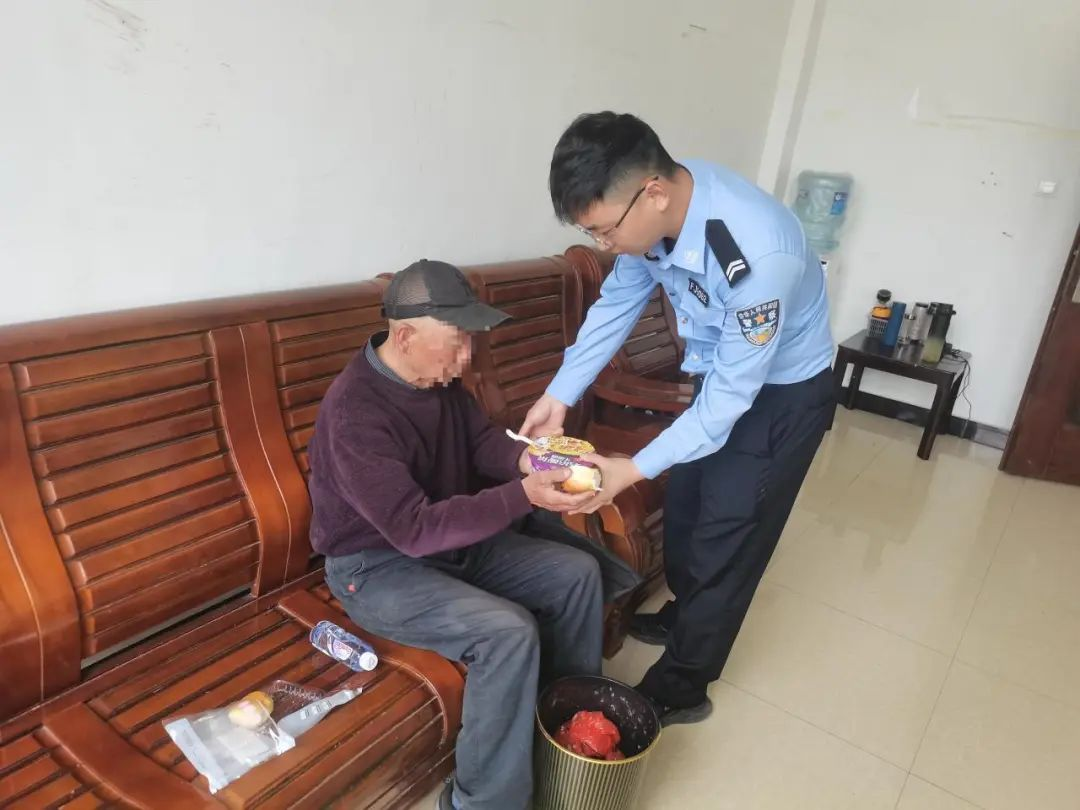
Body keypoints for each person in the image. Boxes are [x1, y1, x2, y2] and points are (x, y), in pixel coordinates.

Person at [520, 112, 836, 726]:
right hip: (719, 377)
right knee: (689, 508)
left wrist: (629, 470)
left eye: (604, 230)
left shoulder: (757, 253)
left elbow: (731, 401)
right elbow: (617, 303)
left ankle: (685, 684)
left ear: (654, 193)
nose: (602, 245)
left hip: (781, 395)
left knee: (729, 536)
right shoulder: (658, 215)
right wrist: (560, 393)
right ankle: (684, 614)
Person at [307, 259, 608, 810]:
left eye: (471, 341)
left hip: (450, 543)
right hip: (376, 568)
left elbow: (481, 444)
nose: (467, 357)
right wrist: (525, 495)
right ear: (405, 336)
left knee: (577, 573)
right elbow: (413, 529)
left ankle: (560, 729)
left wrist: (534, 462)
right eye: (457, 342)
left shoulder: (438, 380)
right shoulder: (355, 414)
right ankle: (482, 802)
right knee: (506, 632)